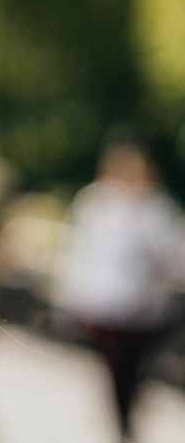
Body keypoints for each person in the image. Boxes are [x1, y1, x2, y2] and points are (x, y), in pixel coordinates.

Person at [52, 132, 185, 442]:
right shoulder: (95, 203)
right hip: (106, 308)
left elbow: (174, 257)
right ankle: (123, 425)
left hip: (144, 310)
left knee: (132, 372)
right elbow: (78, 253)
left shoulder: (156, 209)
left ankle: (126, 421)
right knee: (116, 371)